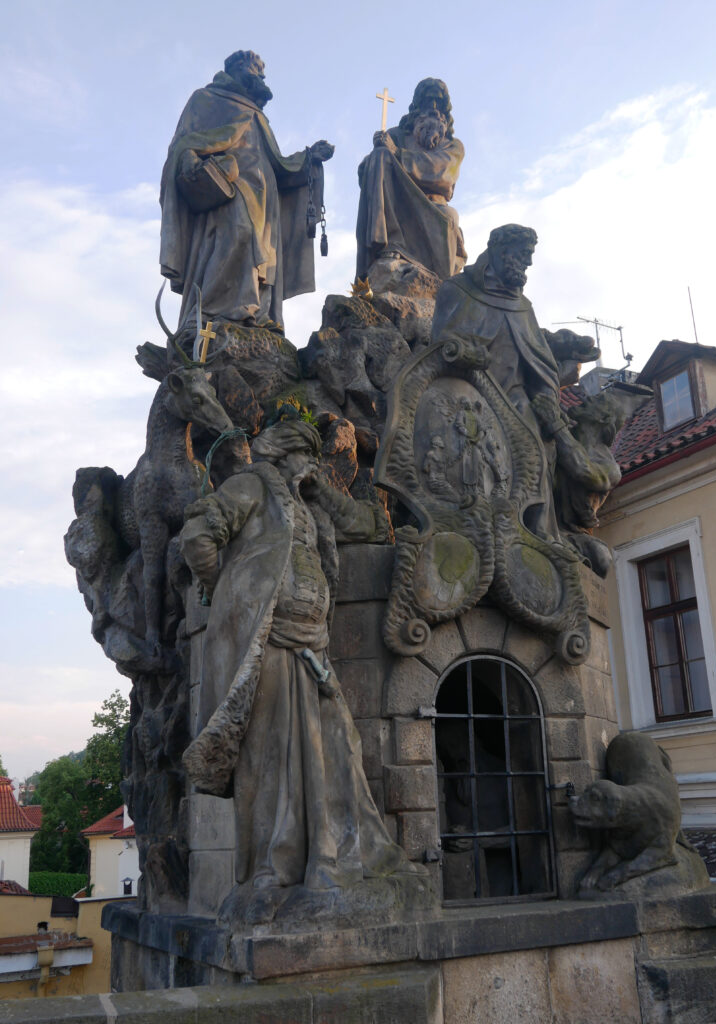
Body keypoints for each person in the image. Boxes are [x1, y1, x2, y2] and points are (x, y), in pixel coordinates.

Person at [180, 419, 413, 904]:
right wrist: (227, 592)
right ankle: (273, 868)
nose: (317, 465)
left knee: (339, 746)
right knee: (271, 757)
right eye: (310, 456)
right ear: (286, 453)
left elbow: (366, 525)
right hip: (268, 639)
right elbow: (199, 533)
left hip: (313, 644)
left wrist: (323, 489)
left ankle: (332, 853)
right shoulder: (251, 485)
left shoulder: (307, 502)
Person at [160, 50, 334, 331]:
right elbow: (182, 143)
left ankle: (259, 314)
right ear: (235, 70)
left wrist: (309, 157)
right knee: (237, 234)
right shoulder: (206, 100)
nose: (261, 76)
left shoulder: (258, 116)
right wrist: (189, 162)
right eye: (255, 70)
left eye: (262, 71)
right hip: (228, 188)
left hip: (265, 199)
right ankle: (214, 313)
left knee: (266, 255)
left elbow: (278, 163)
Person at [431, 224, 570, 540]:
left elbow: (541, 366)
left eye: (529, 256)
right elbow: (440, 346)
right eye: (523, 255)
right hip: (471, 397)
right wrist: (463, 351)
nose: (528, 264)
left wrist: (548, 399)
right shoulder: (458, 291)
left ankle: (540, 533)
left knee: (536, 437)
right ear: (501, 251)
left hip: (517, 399)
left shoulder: (523, 307)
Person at [356, 78, 465, 282]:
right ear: (416, 106)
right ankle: (389, 243)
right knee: (379, 155)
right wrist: (374, 157)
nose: (432, 107)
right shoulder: (396, 135)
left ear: (445, 109)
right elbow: (370, 172)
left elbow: (442, 173)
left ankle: (443, 285)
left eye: (437, 103)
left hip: (434, 205)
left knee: (449, 216)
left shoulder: (454, 145)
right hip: (398, 206)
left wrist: (398, 154)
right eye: (427, 102)